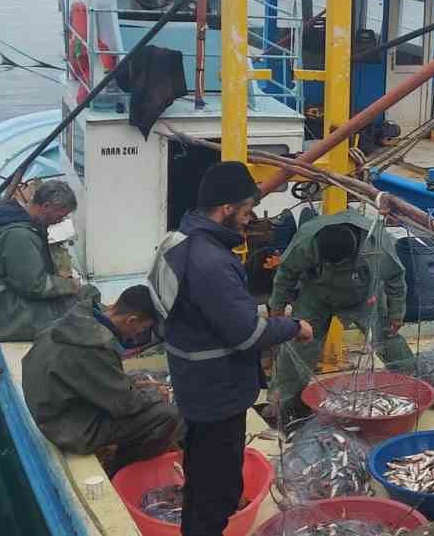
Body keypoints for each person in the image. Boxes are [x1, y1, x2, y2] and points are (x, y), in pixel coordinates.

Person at [148, 162, 313, 536]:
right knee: (217, 494)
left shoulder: (181, 240)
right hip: (217, 395)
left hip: (196, 388)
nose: (249, 219)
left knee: (203, 484)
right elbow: (248, 335)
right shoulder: (212, 263)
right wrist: (293, 327)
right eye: (245, 210)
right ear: (225, 209)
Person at [268, 209, 412, 426]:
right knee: (298, 345)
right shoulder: (306, 241)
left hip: (364, 296)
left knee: (388, 337)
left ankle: (414, 384)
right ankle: (282, 403)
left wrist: (396, 313)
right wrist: (277, 306)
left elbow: (395, 279)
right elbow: (286, 274)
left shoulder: (378, 245)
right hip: (316, 296)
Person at [22, 284, 182, 473]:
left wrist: (133, 384)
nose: (139, 335)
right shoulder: (94, 346)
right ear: (132, 320)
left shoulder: (79, 318)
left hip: (48, 407)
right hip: (66, 428)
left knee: (134, 385)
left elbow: (91, 376)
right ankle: (121, 468)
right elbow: (127, 405)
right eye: (142, 329)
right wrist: (158, 393)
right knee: (167, 415)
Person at [0, 180, 90, 351]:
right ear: (46, 206)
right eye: (60, 215)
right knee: (77, 316)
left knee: (77, 302)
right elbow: (35, 286)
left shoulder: (8, 219)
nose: (60, 220)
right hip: (2, 319)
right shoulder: (20, 236)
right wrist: (69, 285)